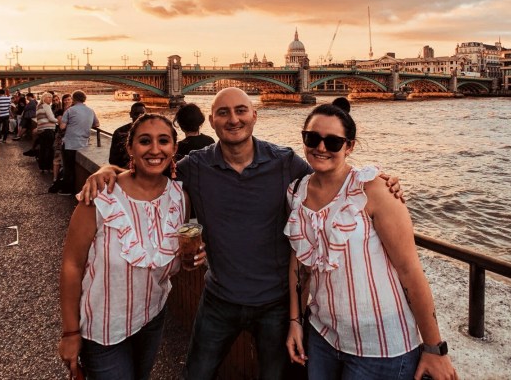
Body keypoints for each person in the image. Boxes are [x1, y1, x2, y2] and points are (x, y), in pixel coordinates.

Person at [80, 88, 403, 379]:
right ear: (212, 121)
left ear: (254, 116)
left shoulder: (286, 163)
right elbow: (151, 168)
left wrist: (377, 180)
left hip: (275, 304)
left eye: (240, 110)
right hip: (219, 299)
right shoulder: (195, 166)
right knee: (196, 374)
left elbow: (333, 173)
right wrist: (108, 171)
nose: (233, 119)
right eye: (223, 112)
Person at [285, 103, 457, 380]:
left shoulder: (374, 190)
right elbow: (299, 264)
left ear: (349, 146)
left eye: (333, 141)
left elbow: (410, 271)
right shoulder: (296, 191)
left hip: (381, 348)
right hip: (322, 336)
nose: (321, 147)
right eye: (312, 138)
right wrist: (295, 321)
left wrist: (435, 348)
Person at [58, 113, 205, 379]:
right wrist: (69, 332)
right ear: (130, 148)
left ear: (174, 148)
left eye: (163, 141)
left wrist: (187, 261)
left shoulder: (179, 198)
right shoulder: (101, 196)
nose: (155, 149)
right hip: (103, 330)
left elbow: (166, 257)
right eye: (145, 141)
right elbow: (72, 265)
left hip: (152, 317)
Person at [58, 90, 99, 196]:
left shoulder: (69, 110)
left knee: (68, 167)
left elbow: (62, 127)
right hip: (84, 143)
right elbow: (97, 124)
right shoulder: (90, 110)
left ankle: (67, 190)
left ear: (74, 99)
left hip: (70, 143)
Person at [108, 102, 146, 168]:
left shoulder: (153, 132)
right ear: (130, 115)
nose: (140, 116)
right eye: (136, 114)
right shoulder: (119, 132)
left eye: (142, 114)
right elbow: (113, 159)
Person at [35, 92, 58, 173]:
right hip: (48, 130)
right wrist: (59, 121)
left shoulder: (38, 106)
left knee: (43, 149)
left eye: (51, 98)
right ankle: (48, 167)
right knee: (49, 149)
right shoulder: (46, 106)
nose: (50, 99)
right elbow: (51, 118)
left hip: (41, 130)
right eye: (48, 97)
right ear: (43, 98)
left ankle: (42, 167)